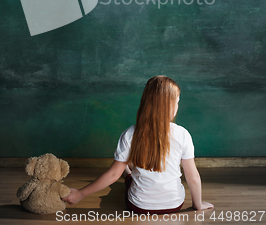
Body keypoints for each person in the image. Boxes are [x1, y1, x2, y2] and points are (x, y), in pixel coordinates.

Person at [63, 75, 214, 214]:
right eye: (178, 101)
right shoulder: (183, 134)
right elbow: (192, 176)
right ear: (170, 105)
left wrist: (80, 194)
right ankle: (129, 171)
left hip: (139, 206)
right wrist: (198, 205)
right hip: (174, 205)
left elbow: (113, 175)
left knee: (128, 177)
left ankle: (128, 171)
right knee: (134, 175)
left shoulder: (129, 134)